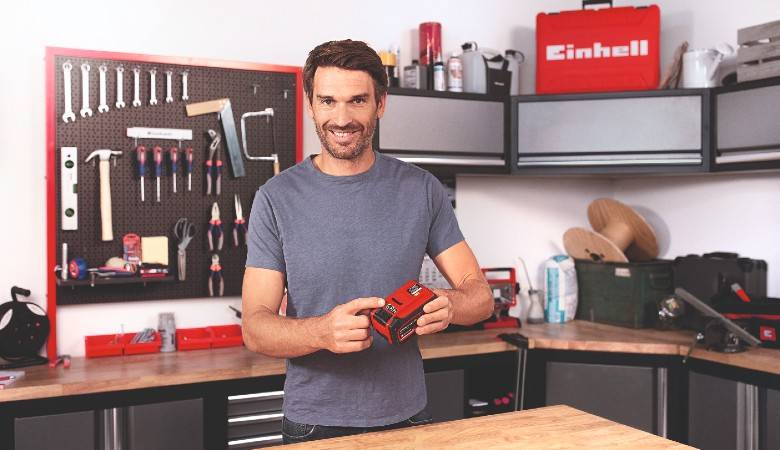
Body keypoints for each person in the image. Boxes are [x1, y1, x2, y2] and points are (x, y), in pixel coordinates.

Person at [242, 39, 493, 444]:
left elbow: (480, 297)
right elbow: (255, 328)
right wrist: (321, 332)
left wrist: (449, 306)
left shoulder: (421, 190)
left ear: (381, 104)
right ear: (311, 105)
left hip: (408, 418)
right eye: (327, 101)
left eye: (357, 100)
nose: (341, 118)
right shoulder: (275, 198)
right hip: (313, 425)